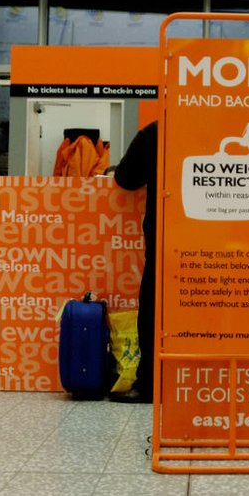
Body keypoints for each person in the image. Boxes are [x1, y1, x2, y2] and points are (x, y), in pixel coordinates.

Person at [109, 121, 158, 403]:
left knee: (154, 306)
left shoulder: (157, 132)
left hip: (166, 235)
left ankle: (149, 383)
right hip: (227, 241)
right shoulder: (227, 130)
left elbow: (126, 179)